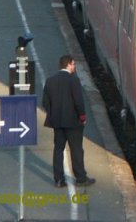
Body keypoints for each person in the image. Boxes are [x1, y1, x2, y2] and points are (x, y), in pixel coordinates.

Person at [42, 55, 95, 187]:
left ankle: (59, 179)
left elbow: (45, 103)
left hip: (57, 123)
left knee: (58, 149)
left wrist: (54, 114)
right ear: (69, 64)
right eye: (74, 65)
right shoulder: (73, 80)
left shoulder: (50, 81)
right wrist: (82, 117)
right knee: (76, 149)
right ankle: (81, 178)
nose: (74, 67)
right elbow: (78, 102)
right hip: (73, 122)